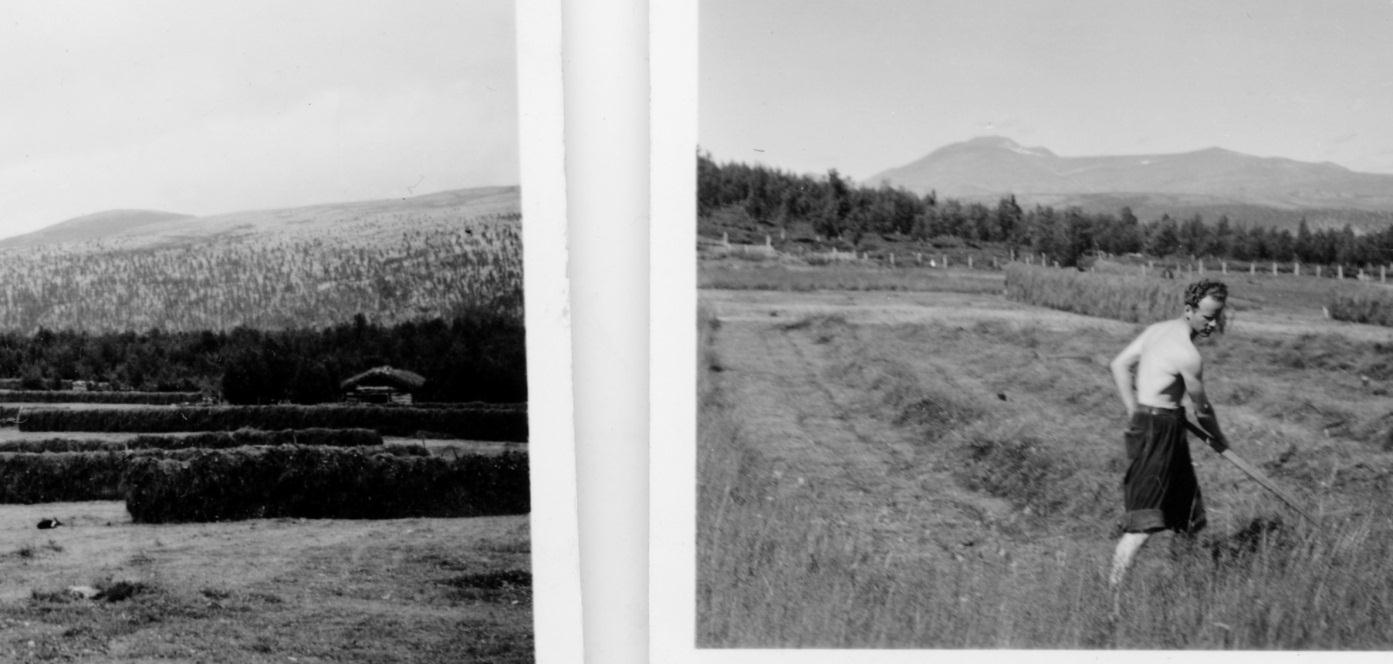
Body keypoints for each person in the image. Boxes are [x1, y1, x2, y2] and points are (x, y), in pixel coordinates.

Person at [1107, 279, 1229, 588]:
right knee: (1142, 524)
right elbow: (1202, 410)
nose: (1213, 323)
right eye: (1207, 316)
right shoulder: (1188, 354)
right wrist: (1220, 440)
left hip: (1164, 426)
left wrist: (1134, 409)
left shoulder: (1156, 330)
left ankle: (1181, 584)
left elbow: (1120, 365)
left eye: (1218, 316)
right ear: (1189, 310)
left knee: (1188, 515)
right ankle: (1112, 599)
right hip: (1157, 432)